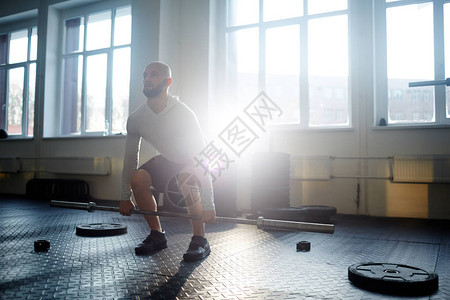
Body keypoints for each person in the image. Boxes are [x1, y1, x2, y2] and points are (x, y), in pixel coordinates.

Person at [119, 62, 215, 261]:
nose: (147, 78)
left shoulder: (184, 113)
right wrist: (124, 196)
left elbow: (201, 158)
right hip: (167, 160)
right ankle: (157, 235)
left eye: (154, 75)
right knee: (137, 179)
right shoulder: (136, 118)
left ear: (167, 81)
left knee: (186, 178)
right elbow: (130, 159)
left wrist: (208, 204)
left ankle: (200, 239)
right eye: (145, 75)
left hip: (193, 160)